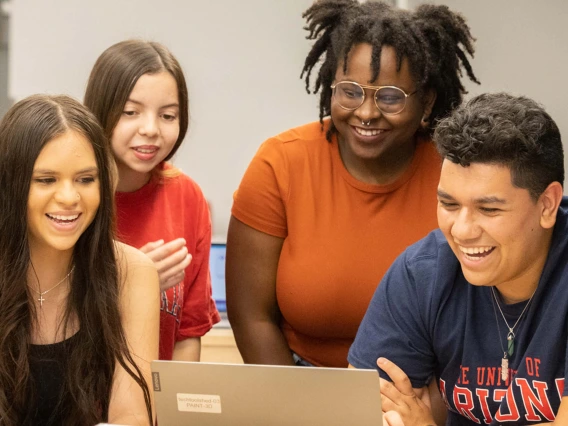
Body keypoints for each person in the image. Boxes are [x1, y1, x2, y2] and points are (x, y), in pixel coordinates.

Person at [226, 0, 479, 367]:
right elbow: (252, 318)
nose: (366, 112)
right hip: (303, 383)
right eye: (350, 91)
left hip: (427, 390)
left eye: (391, 97)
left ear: (426, 103)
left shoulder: (455, 172)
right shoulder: (280, 163)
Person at [349, 92, 568, 425]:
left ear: (548, 205)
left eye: (489, 209)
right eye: (449, 205)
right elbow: (366, 412)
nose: (462, 231)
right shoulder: (422, 273)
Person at [0, 94, 159, 425]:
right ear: (11, 184)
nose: (70, 198)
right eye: (46, 180)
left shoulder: (132, 272)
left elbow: (132, 415)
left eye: (86, 180)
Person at [84, 40, 220, 361]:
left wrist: (176, 412)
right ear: (101, 109)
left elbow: (187, 333)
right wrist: (131, 284)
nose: (150, 129)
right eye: (130, 112)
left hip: (157, 406)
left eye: (167, 115)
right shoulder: (73, 197)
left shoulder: (187, 196)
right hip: (81, 404)